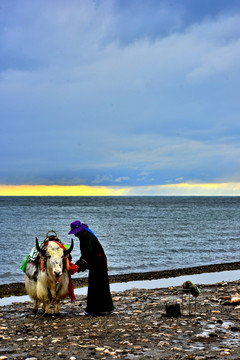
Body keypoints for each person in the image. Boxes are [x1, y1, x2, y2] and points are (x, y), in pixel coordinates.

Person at [69, 220, 114, 315]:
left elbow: (88, 254)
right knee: (101, 285)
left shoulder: (86, 237)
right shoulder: (85, 235)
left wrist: (78, 266)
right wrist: (80, 264)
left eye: (75, 233)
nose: (75, 235)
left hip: (97, 262)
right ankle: (105, 308)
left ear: (78, 231)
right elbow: (86, 255)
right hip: (98, 261)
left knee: (95, 285)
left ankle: (94, 309)